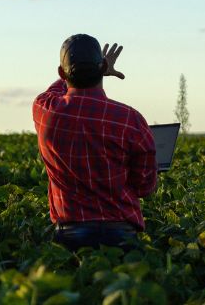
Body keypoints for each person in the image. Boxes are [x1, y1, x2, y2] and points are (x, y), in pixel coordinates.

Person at [32, 34, 158, 251]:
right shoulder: (130, 119)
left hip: (68, 236)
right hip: (121, 234)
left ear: (61, 73)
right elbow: (144, 187)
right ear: (102, 68)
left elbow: (54, 90)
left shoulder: (45, 109)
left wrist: (85, 73)